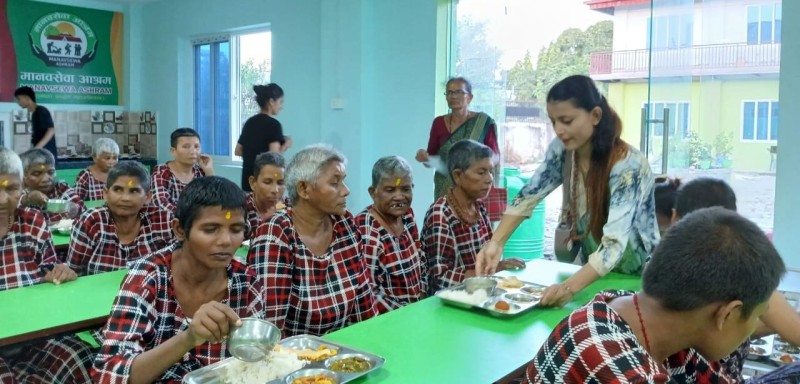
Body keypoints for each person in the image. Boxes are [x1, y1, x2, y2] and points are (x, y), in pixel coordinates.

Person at [524, 207, 785, 383]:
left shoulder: (636, 311)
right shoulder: (624, 371)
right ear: (728, 314)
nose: (755, 327)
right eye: (758, 316)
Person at [476, 74, 659, 307]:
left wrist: (567, 288)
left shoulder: (628, 167)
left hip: (639, 278)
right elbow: (530, 194)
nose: (559, 130)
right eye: (554, 122)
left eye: (567, 120)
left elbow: (613, 246)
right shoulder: (563, 150)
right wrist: (495, 243)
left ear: (595, 116)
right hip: (594, 274)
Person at [92, 176, 265, 383]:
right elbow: (110, 373)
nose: (226, 241)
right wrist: (189, 337)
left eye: (236, 230)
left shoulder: (246, 282)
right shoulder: (148, 276)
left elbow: (253, 364)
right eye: (210, 229)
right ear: (180, 230)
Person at [660, 177, 800, 383]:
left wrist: (774, 323)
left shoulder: (658, 265)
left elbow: (716, 330)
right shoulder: (741, 269)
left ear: (674, 217)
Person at [247, 144, 376, 337]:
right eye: (335, 183)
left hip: (342, 345)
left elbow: (364, 306)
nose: (346, 190)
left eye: (343, 181)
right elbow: (271, 328)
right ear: (304, 189)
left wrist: (369, 342)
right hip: (294, 351)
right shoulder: (276, 234)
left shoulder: (345, 224)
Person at [0, 146, 93, 383]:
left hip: (33, 335)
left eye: (11, 188)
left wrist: (59, 274)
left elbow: (49, 271)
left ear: (22, 187)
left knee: (80, 357)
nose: (2, 199)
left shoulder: (32, 221)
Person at [422, 140, 524, 294]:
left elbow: (488, 251)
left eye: (490, 171)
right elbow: (440, 279)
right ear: (458, 175)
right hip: (450, 300)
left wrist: (498, 265)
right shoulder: (440, 215)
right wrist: (495, 269)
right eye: (481, 172)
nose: (489, 179)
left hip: (479, 294)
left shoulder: (479, 207)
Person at [67, 161, 173, 276]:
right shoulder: (90, 221)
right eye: (117, 189)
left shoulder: (163, 221)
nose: (125, 198)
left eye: (134, 191)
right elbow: (74, 273)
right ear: (105, 193)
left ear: (147, 197)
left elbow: (175, 268)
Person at [356, 156, 425, 314]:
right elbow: (370, 293)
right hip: (388, 320)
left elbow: (420, 260)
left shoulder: (407, 216)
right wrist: (409, 314)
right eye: (390, 190)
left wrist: (421, 305)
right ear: (373, 192)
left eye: (405, 189)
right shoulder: (367, 229)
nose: (399, 197)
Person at [415, 77, 499, 199]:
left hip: (474, 187)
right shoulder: (438, 123)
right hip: (444, 189)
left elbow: (495, 157)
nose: (453, 96)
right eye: (449, 92)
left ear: (470, 97)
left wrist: (476, 166)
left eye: (458, 92)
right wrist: (424, 157)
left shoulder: (482, 123)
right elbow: (430, 160)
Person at [235, 83, 292, 192]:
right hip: (265, 183)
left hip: (247, 182)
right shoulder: (274, 125)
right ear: (271, 101)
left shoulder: (249, 123)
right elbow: (274, 159)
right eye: (280, 102)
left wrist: (253, 154)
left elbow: (238, 151)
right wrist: (285, 145)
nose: (281, 106)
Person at [151, 128, 214, 212]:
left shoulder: (201, 172)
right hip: (173, 219)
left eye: (196, 146)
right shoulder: (162, 172)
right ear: (173, 151)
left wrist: (209, 171)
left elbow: (216, 202)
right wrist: (195, 216)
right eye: (186, 147)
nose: (193, 151)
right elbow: (161, 204)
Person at [19, 148, 85, 225]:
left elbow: (84, 214)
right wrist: (27, 199)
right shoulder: (17, 193)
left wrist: (76, 210)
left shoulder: (60, 189)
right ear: (23, 176)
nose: (46, 179)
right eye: (37, 174)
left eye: (51, 172)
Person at [245, 151, 287, 237]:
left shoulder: (291, 209)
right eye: (268, 182)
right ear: (253, 183)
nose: (275, 190)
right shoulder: (241, 209)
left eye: (280, 183)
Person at [14, 86, 56, 160]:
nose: (18, 102)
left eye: (19, 99)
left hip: (46, 157)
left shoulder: (41, 110)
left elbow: (51, 130)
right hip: (40, 155)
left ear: (27, 98)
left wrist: (37, 148)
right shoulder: (34, 114)